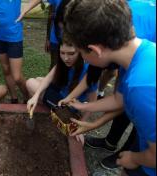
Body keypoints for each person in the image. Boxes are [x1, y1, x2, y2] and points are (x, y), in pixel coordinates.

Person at [64, 0, 156, 176]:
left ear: (95, 50)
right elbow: (118, 100)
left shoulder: (141, 87)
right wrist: (84, 106)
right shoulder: (136, 54)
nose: (83, 58)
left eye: (81, 53)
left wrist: (134, 159)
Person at [26, 35, 97, 121]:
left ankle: (56, 112)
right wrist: (35, 96)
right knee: (38, 79)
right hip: (61, 94)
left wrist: (81, 123)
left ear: (80, 52)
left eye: (71, 53)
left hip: (67, 106)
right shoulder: (63, 63)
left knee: (30, 82)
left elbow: (93, 102)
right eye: (62, 53)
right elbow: (48, 78)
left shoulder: (89, 72)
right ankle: (45, 107)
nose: (66, 58)